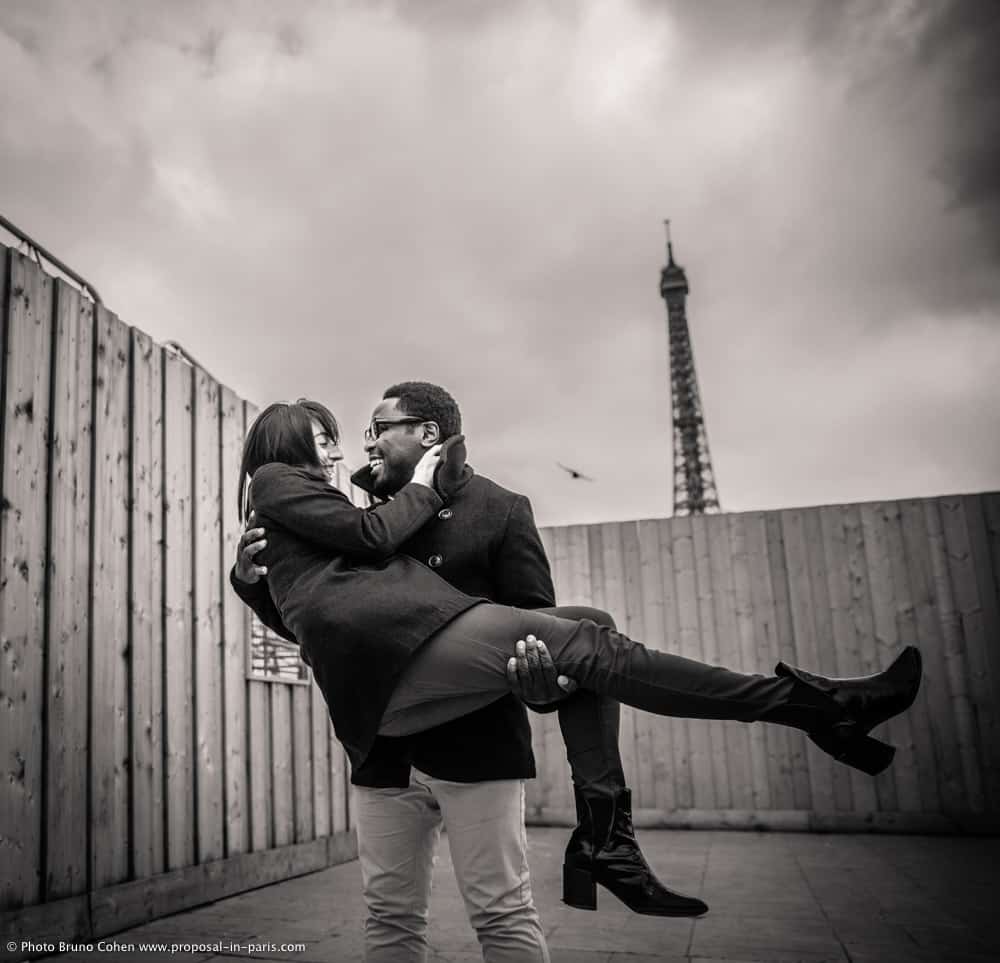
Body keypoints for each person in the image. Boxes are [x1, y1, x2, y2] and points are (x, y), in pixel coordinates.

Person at [234, 393, 921, 951]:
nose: (355, 446)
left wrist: (542, 683)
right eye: (332, 437)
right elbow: (326, 602)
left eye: (372, 430)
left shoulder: (495, 510)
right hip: (391, 713)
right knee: (391, 918)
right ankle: (807, 708)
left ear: (430, 431)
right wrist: (250, 579)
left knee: (590, 633)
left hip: (464, 729)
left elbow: (327, 599)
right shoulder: (343, 501)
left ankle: (608, 827)